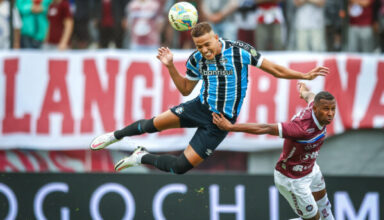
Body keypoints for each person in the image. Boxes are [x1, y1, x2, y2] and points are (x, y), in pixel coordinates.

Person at [90, 22, 329, 174]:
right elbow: (185, 89)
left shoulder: (239, 50)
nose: (204, 50)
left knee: (180, 167)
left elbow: (275, 69)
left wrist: (303, 74)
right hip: (199, 107)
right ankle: (115, 135)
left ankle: (141, 157)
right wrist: (171, 66)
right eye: (198, 46)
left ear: (216, 38)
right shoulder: (197, 59)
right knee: (152, 125)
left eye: (206, 44)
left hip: (219, 122)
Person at [212, 82, 335, 220]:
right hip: (292, 179)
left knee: (325, 208)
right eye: (326, 109)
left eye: (332, 109)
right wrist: (231, 127)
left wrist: (303, 91)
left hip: (311, 169)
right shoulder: (302, 128)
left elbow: (311, 96)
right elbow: (265, 128)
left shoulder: (315, 106)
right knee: (315, 219)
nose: (330, 113)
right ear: (316, 109)